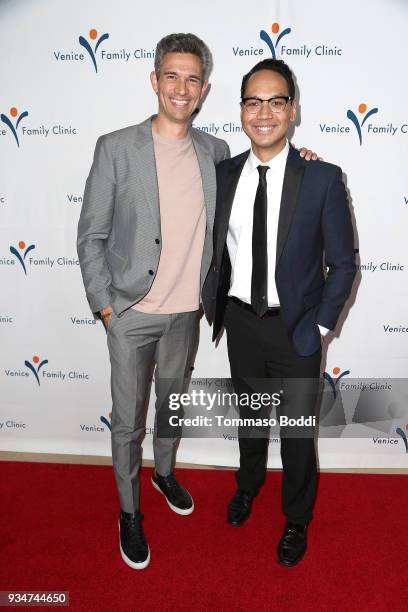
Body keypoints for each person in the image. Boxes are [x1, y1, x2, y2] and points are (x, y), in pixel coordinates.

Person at [77, 33, 230, 570]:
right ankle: (129, 512)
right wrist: (105, 308)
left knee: (170, 407)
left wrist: (302, 158)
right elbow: (91, 235)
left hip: (186, 313)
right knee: (127, 422)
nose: (181, 87)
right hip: (131, 313)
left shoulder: (215, 151)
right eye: (172, 75)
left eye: (192, 78)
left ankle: (163, 473)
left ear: (204, 87)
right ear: (155, 80)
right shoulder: (116, 147)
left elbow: (258, 185)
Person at [203, 59, 356, 566]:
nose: (263, 112)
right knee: (250, 421)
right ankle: (247, 486)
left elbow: (343, 263)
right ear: (241, 110)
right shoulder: (222, 175)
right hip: (242, 322)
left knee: (296, 435)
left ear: (292, 110)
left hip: (297, 330)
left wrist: (317, 327)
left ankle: (296, 519)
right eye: (253, 101)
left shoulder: (322, 178)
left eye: (276, 101)